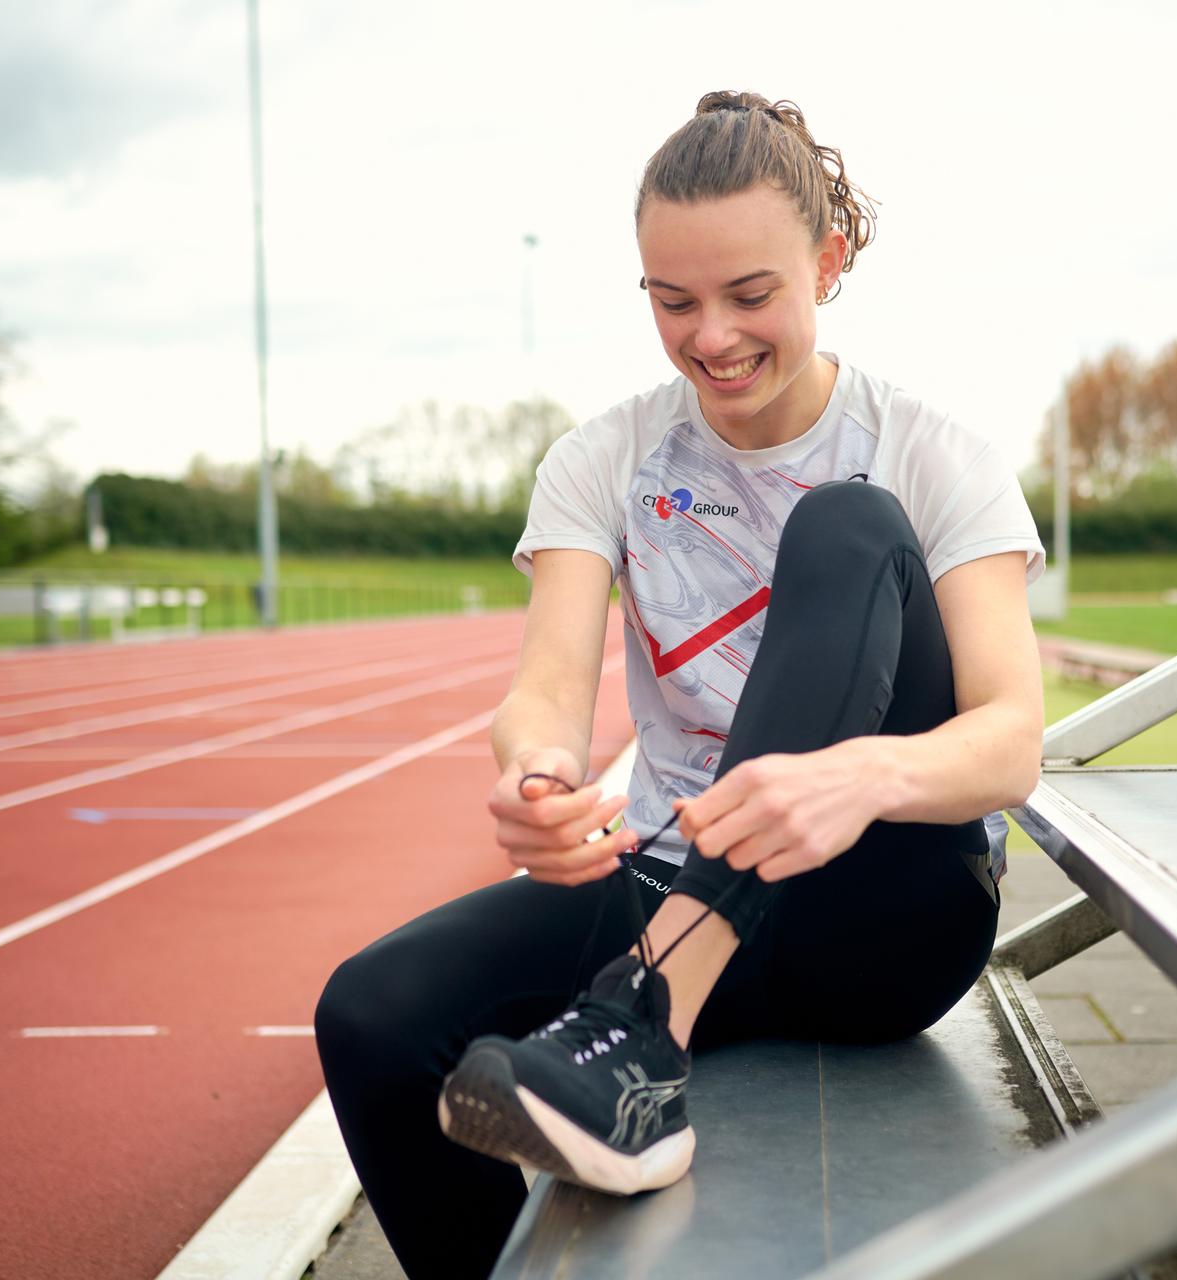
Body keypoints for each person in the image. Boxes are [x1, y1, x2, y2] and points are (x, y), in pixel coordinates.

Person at [314, 90, 1046, 1277]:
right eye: (673, 301)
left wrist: (861, 776)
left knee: (851, 523)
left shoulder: (931, 450)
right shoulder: (605, 458)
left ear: (830, 258)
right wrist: (538, 771)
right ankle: (635, 1031)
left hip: (890, 906)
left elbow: (1011, 740)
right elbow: (546, 687)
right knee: (371, 1015)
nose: (712, 336)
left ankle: (641, 1028)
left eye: (751, 295)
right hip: (674, 870)